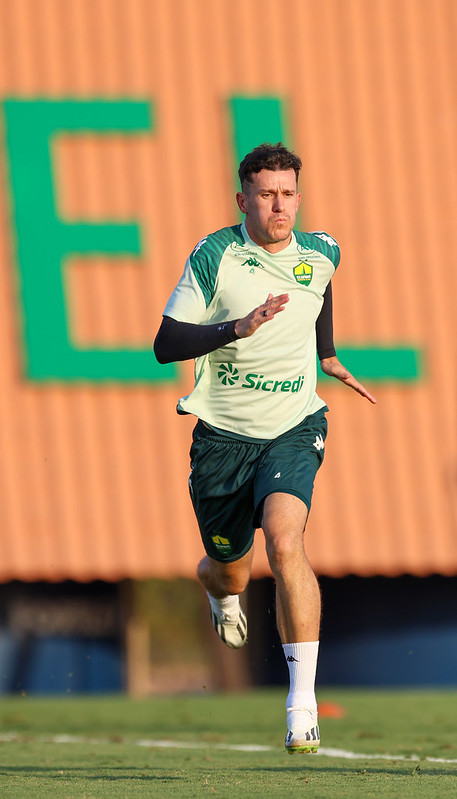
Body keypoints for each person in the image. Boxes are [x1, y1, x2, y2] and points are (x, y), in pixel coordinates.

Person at [154, 142, 376, 754]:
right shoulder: (214, 256)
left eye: (288, 194)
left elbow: (320, 290)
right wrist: (238, 327)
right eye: (267, 194)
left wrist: (325, 353)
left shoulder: (321, 251)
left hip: (294, 425)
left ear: (298, 197)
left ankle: (301, 703)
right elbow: (166, 343)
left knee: (286, 540)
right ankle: (220, 589)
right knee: (232, 565)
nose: (279, 206)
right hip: (222, 439)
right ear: (243, 198)